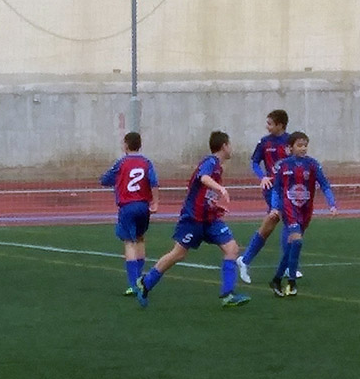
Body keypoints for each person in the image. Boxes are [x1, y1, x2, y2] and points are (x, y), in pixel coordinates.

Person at [132, 131, 250, 309]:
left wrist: (216, 206)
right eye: (230, 144)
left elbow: (205, 194)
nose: (231, 148)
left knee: (231, 248)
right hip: (193, 219)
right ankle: (146, 282)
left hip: (209, 219)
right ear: (224, 146)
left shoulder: (218, 167)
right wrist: (221, 189)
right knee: (178, 254)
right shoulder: (210, 162)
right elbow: (204, 178)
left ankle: (228, 294)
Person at [268, 131, 337, 297]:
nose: (303, 148)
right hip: (289, 209)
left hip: (306, 211)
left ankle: (277, 279)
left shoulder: (313, 165)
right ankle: (291, 281)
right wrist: (274, 207)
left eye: (305, 145)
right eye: (299, 145)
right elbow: (277, 189)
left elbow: (325, 185)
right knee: (297, 242)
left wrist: (332, 204)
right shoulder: (283, 166)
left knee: (292, 246)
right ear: (290, 148)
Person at [100, 132, 159, 296]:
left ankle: (133, 284)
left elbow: (105, 179)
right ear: (139, 145)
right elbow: (154, 182)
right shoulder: (147, 162)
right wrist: (156, 202)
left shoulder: (121, 163)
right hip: (143, 206)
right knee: (140, 238)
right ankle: (141, 280)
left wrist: (115, 180)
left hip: (127, 207)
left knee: (129, 242)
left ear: (126, 145)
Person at [236, 109, 291, 284]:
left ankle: (245, 260)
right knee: (288, 220)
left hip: (288, 188)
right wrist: (263, 177)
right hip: (272, 188)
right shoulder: (264, 142)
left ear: (280, 125)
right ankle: (288, 265)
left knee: (270, 224)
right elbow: (254, 162)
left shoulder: (290, 141)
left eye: (270, 123)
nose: (266, 126)